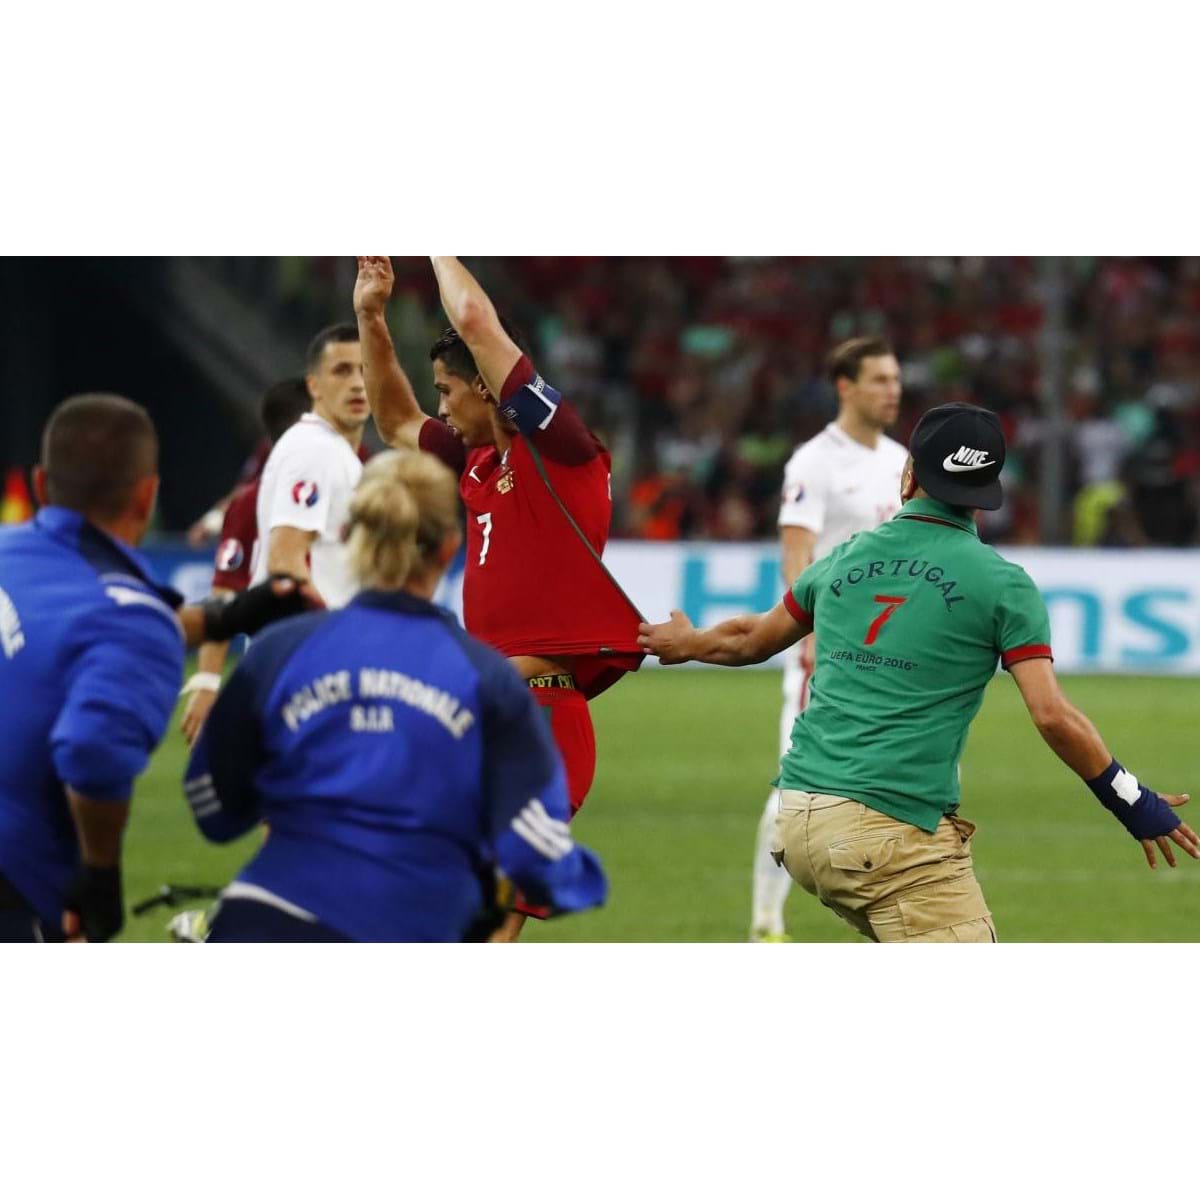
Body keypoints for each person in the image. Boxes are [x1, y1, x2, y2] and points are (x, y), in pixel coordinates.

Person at [638, 403, 1198, 942]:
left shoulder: (848, 555)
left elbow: (751, 640)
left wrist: (687, 643)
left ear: (909, 476)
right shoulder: (1003, 585)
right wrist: (1131, 799)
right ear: (989, 490)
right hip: (886, 831)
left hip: (800, 814)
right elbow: (1051, 715)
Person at [184, 450, 607, 942]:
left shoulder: (282, 650)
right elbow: (542, 856)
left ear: (348, 538)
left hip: (270, 919)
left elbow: (211, 807)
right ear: (450, 549)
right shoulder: (485, 678)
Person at [353, 256, 642, 940]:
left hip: (539, 723)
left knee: (486, 925)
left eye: (448, 390)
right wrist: (370, 316)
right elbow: (395, 422)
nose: (441, 407)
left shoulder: (560, 448)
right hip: (477, 716)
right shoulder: (477, 463)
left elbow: (476, 319)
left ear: (487, 387)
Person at [0, 395, 320, 943]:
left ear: (40, 484)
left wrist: (232, 615)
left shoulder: (11, 550)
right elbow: (91, 751)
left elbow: (94, 623)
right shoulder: (128, 621)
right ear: (148, 495)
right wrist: (100, 873)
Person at [750, 336, 907, 942]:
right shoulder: (814, 462)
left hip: (892, 658)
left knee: (888, 789)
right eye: (880, 380)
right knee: (798, 784)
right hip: (830, 652)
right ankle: (765, 926)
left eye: (895, 379)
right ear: (846, 386)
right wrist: (807, 634)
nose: (892, 390)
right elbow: (797, 556)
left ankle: (889, 920)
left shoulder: (901, 461)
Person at [181, 379, 312, 744]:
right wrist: (206, 682)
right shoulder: (252, 501)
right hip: (277, 677)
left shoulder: (358, 479)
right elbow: (224, 592)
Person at [248, 324, 370, 609]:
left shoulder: (330, 449)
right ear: (313, 385)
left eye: (365, 370)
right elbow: (285, 563)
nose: (357, 384)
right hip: (307, 644)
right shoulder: (314, 450)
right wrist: (331, 633)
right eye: (342, 370)